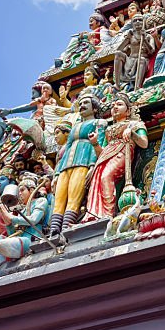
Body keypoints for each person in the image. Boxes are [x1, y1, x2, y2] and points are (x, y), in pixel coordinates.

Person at [85, 95, 149, 219]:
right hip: (106, 155)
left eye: (119, 104)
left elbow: (144, 143)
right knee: (96, 181)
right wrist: (95, 143)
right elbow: (101, 153)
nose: (115, 107)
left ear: (128, 110)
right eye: (113, 106)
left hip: (122, 153)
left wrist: (132, 133)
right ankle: (94, 214)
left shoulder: (135, 124)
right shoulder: (109, 129)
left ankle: (107, 214)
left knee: (106, 177)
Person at [48, 94, 99, 238]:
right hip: (66, 164)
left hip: (83, 161)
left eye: (86, 103)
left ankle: (66, 228)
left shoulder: (99, 123)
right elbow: (67, 148)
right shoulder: (75, 126)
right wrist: (56, 174)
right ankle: (54, 230)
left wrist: (92, 165)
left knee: (73, 199)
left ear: (95, 108)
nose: (82, 105)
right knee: (59, 200)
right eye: (81, 102)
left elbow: (99, 142)